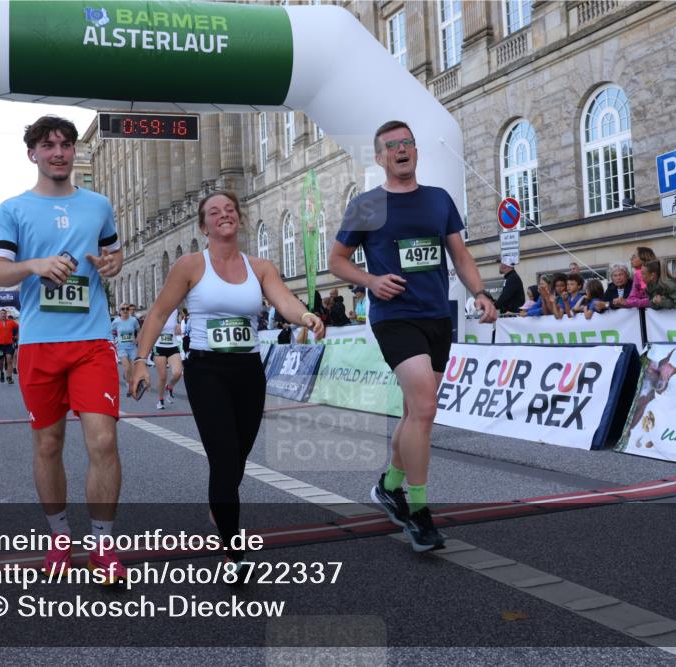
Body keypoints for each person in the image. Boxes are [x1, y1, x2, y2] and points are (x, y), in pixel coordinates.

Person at [129, 191, 324, 575]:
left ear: (239, 219)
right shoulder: (190, 265)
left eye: (230, 210)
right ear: (204, 225)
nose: (224, 216)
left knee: (238, 458)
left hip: (248, 370)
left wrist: (305, 317)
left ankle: (220, 504)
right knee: (223, 459)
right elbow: (157, 315)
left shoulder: (261, 266)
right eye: (214, 212)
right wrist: (141, 360)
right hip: (207, 371)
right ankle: (234, 553)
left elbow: (284, 301)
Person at [328, 120, 498, 552]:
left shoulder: (439, 200)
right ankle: (418, 511)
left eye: (407, 143)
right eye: (392, 145)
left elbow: (459, 254)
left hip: (437, 314)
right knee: (424, 405)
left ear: (415, 151)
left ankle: (389, 485)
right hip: (394, 316)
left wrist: (480, 292)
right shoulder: (367, 205)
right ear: (380, 157)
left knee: (415, 414)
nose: (402, 150)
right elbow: (337, 260)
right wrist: (371, 281)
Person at [0, 115, 126, 581]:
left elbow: (114, 256)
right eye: (49, 145)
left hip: (92, 341)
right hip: (40, 344)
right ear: (33, 154)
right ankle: (60, 538)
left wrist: (110, 265)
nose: (59, 152)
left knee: (103, 440)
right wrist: (34, 265)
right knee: (48, 444)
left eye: (65, 144)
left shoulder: (99, 204)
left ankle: (104, 546)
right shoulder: (13, 209)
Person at [153, 308, 183, 410]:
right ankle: (160, 400)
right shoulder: (156, 310)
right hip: (159, 347)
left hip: (173, 346)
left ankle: (169, 386)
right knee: (162, 376)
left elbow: (180, 318)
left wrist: (179, 324)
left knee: (178, 373)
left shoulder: (175, 310)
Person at [111, 303, 140, 386]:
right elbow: (110, 332)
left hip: (132, 347)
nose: (125, 310)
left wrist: (137, 339)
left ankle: (127, 376)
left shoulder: (133, 320)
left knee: (133, 368)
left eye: (127, 308)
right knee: (127, 368)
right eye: (123, 309)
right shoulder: (116, 321)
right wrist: (113, 341)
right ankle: (129, 384)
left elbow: (139, 330)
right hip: (121, 348)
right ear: (120, 311)